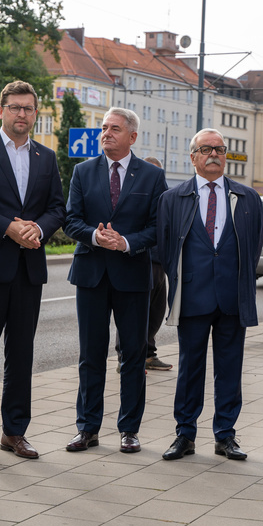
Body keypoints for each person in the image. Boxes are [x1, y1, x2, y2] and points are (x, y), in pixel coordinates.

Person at [0, 81, 65, 464]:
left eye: (29, 108)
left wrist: (38, 228)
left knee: (21, 355)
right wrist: (8, 227)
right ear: (1, 109)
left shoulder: (45, 156)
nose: (22, 114)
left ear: (36, 113)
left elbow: (57, 207)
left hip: (28, 269)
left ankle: (14, 432)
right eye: (15, 107)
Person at [63, 107, 167, 454]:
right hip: (92, 273)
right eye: (104, 128)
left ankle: (129, 429)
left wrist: (125, 242)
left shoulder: (151, 176)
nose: (106, 133)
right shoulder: (83, 171)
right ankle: (87, 428)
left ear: (132, 137)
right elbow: (71, 220)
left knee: (133, 356)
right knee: (90, 355)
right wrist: (95, 235)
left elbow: (158, 227)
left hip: (133, 275)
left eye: (115, 129)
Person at [157, 128, 263, 461]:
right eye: (206, 149)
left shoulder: (247, 198)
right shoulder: (173, 198)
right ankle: (184, 434)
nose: (214, 154)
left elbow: (255, 244)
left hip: (232, 297)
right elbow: (164, 248)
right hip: (192, 295)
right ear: (193, 157)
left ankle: (225, 435)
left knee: (229, 369)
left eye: (219, 149)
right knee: (190, 368)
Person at [115, 156, 173, 373]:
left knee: (156, 313)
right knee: (133, 314)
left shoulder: (163, 194)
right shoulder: (133, 192)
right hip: (139, 260)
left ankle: (148, 354)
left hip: (159, 263)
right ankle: (125, 357)